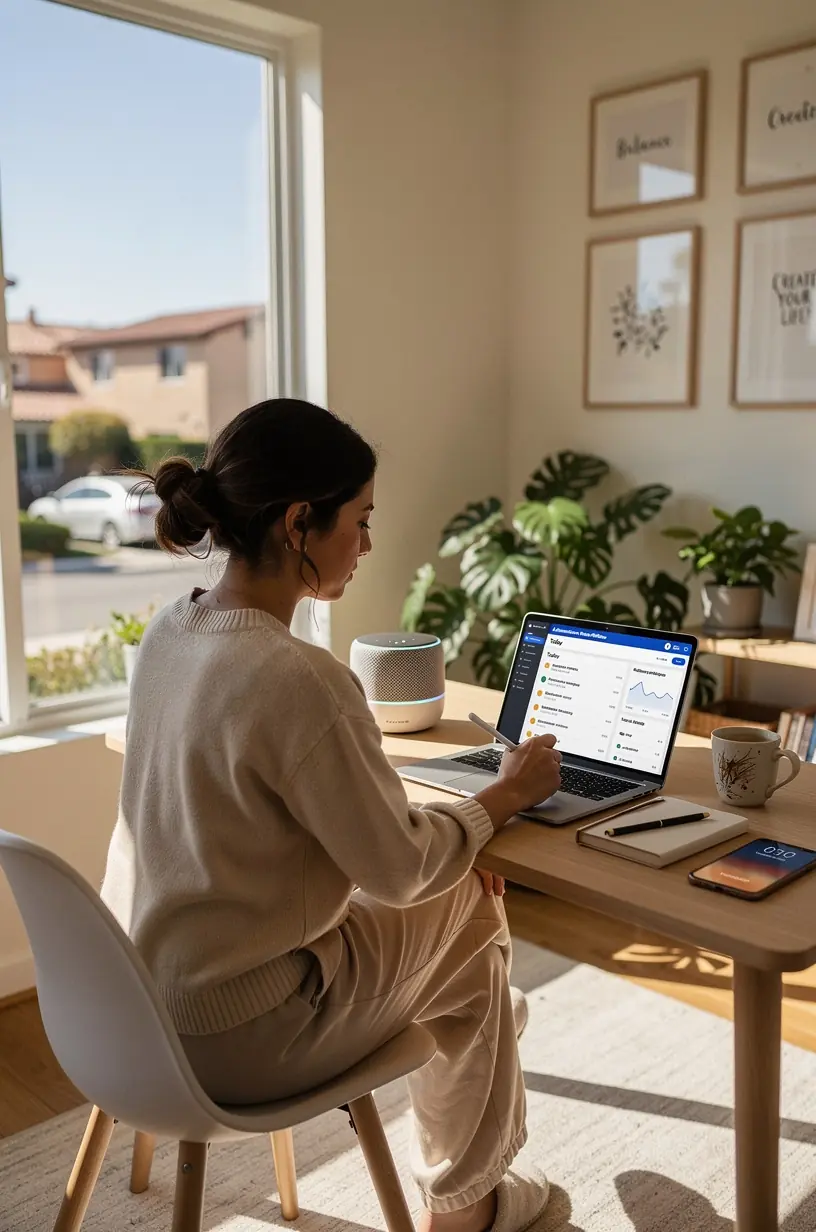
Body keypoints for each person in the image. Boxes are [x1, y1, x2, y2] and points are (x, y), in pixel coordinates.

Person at [100, 398, 562, 1232]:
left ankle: (474, 1017)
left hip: (132, 1009)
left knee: (457, 921)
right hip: (236, 1039)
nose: (369, 543)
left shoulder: (173, 629)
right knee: (464, 903)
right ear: (300, 523)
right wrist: (504, 797)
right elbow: (402, 868)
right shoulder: (296, 676)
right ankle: (471, 1202)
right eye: (362, 519)